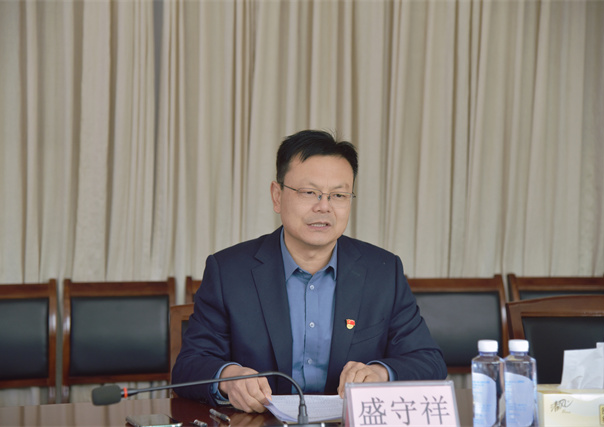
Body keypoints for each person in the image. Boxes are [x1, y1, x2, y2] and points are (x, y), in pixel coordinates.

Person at [172, 129, 447, 413]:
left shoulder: (382, 271)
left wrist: (381, 372)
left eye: (338, 195)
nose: (324, 207)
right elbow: (189, 366)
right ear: (277, 196)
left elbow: (429, 361)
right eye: (309, 192)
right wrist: (229, 378)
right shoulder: (229, 271)